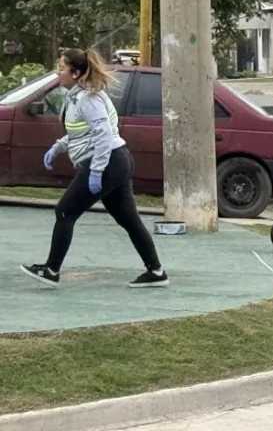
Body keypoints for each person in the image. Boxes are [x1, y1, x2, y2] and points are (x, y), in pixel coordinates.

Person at [20, 48, 167, 289]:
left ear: (76, 73)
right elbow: (82, 133)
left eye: (62, 68)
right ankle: (157, 271)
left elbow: (103, 136)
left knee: (65, 212)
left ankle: (51, 270)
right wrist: (58, 147)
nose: (59, 72)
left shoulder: (89, 99)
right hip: (117, 160)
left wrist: (97, 171)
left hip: (108, 161)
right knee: (128, 219)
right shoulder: (80, 95)